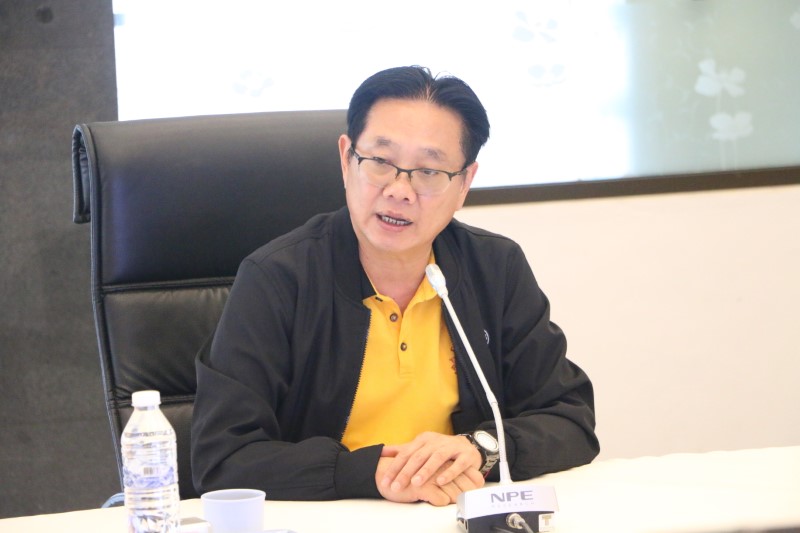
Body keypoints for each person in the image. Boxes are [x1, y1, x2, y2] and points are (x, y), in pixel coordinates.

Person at [191, 65, 599, 506]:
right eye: (381, 163)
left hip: (450, 515)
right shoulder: (276, 279)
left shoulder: (495, 268)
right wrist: (370, 473)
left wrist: (480, 449)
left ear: (464, 183)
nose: (400, 190)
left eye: (429, 171)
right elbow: (222, 458)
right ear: (346, 159)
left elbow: (570, 420)